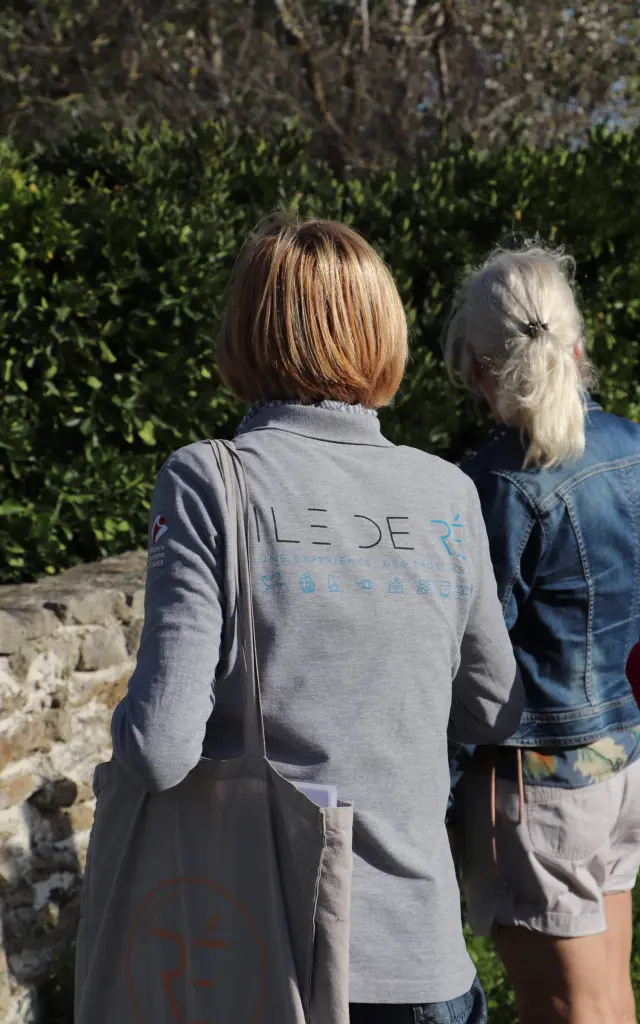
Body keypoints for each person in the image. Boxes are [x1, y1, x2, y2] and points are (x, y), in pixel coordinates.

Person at [111, 214, 523, 1023]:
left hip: (266, 957)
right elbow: (495, 708)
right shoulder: (445, 492)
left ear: (248, 332)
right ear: (384, 333)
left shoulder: (209, 481)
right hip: (426, 962)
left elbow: (160, 750)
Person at [444, 243, 640, 1024]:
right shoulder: (633, 445)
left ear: (480, 364)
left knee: (565, 1007)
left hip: (539, 783)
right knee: (607, 994)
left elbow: (469, 659)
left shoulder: (495, 487)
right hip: (622, 762)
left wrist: (434, 786)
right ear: (576, 343)